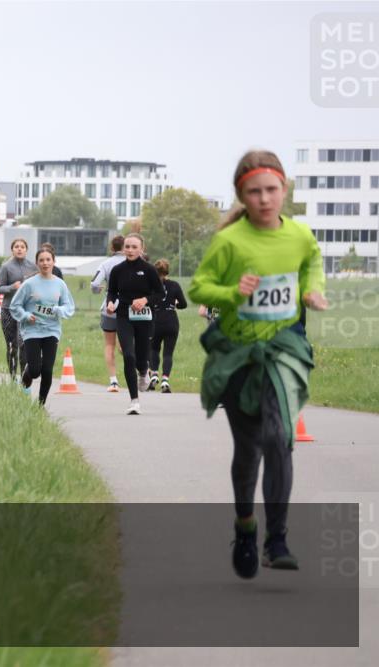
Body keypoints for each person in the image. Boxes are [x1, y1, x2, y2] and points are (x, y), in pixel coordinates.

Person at [189, 149, 326, 579]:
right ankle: (246, 525)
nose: (265, 199)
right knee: (248, 450)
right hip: (237, 354)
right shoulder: (229, 242)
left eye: (271, 190)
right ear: (241, 196)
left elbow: (312, 265)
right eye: (255, 192)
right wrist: (233, 294)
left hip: (283, 349)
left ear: (284, 189)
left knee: (280, 436)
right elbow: (199, 288)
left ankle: (277, 539)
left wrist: (311, 290)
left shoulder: (300, 236)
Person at [9, 246, 75, 405]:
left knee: (47, 370)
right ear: (37, 263)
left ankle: (40, 405)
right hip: (32, 330)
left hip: (52, 330)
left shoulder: (60, 284)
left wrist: (59, 310)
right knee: (35, 371)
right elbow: (15, 305)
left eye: (48, 260)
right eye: (41, 260)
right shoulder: (29, 284)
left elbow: (69, 306)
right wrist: (25, 315)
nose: (45, 263)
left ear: (53, 262)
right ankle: (27, 374)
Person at [106, 233, 162, 415]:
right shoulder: (117, 270)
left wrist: (145, 300)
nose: (130, 250)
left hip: (145, 318)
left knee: (141, 357)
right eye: (127, 247)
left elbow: (160, 294)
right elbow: (112, 292)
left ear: (141, 249)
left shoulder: (149, 270)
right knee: (128, 355)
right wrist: (110, 303)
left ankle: (144, 371)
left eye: (134, 247)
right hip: (124, 316)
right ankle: (134, 400)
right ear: (123, 248)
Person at [0, 238, 38, 381]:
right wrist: (11, 287)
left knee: (24, 344)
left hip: (25, 311)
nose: (19, 249)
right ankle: (13, 378)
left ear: (26, 250)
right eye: (16, 246)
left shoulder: (33, 267)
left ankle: (24, 379)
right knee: (11, 346)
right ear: (12, 250)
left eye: (22, 247)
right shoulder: (6, 267)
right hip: (8, 310)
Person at [91, 235, 127, 392]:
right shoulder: (133, 263)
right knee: (128, 344)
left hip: (109, 308)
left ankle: (113, 381)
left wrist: (97, 290)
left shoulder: (105, 264)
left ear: (112, 248)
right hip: (130, 309)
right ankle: (137, 373)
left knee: (109, 345)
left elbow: (94, 283)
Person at [149, 259, 188, 393]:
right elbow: (183, 304)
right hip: (171, 319)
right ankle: (165, 379)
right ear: (167, 271)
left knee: (153, 349)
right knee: (168, 353)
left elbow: (147, 302)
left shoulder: (151, 285)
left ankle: (154, 375)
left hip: (156, 319)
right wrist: (174, 305)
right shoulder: (175, 285)